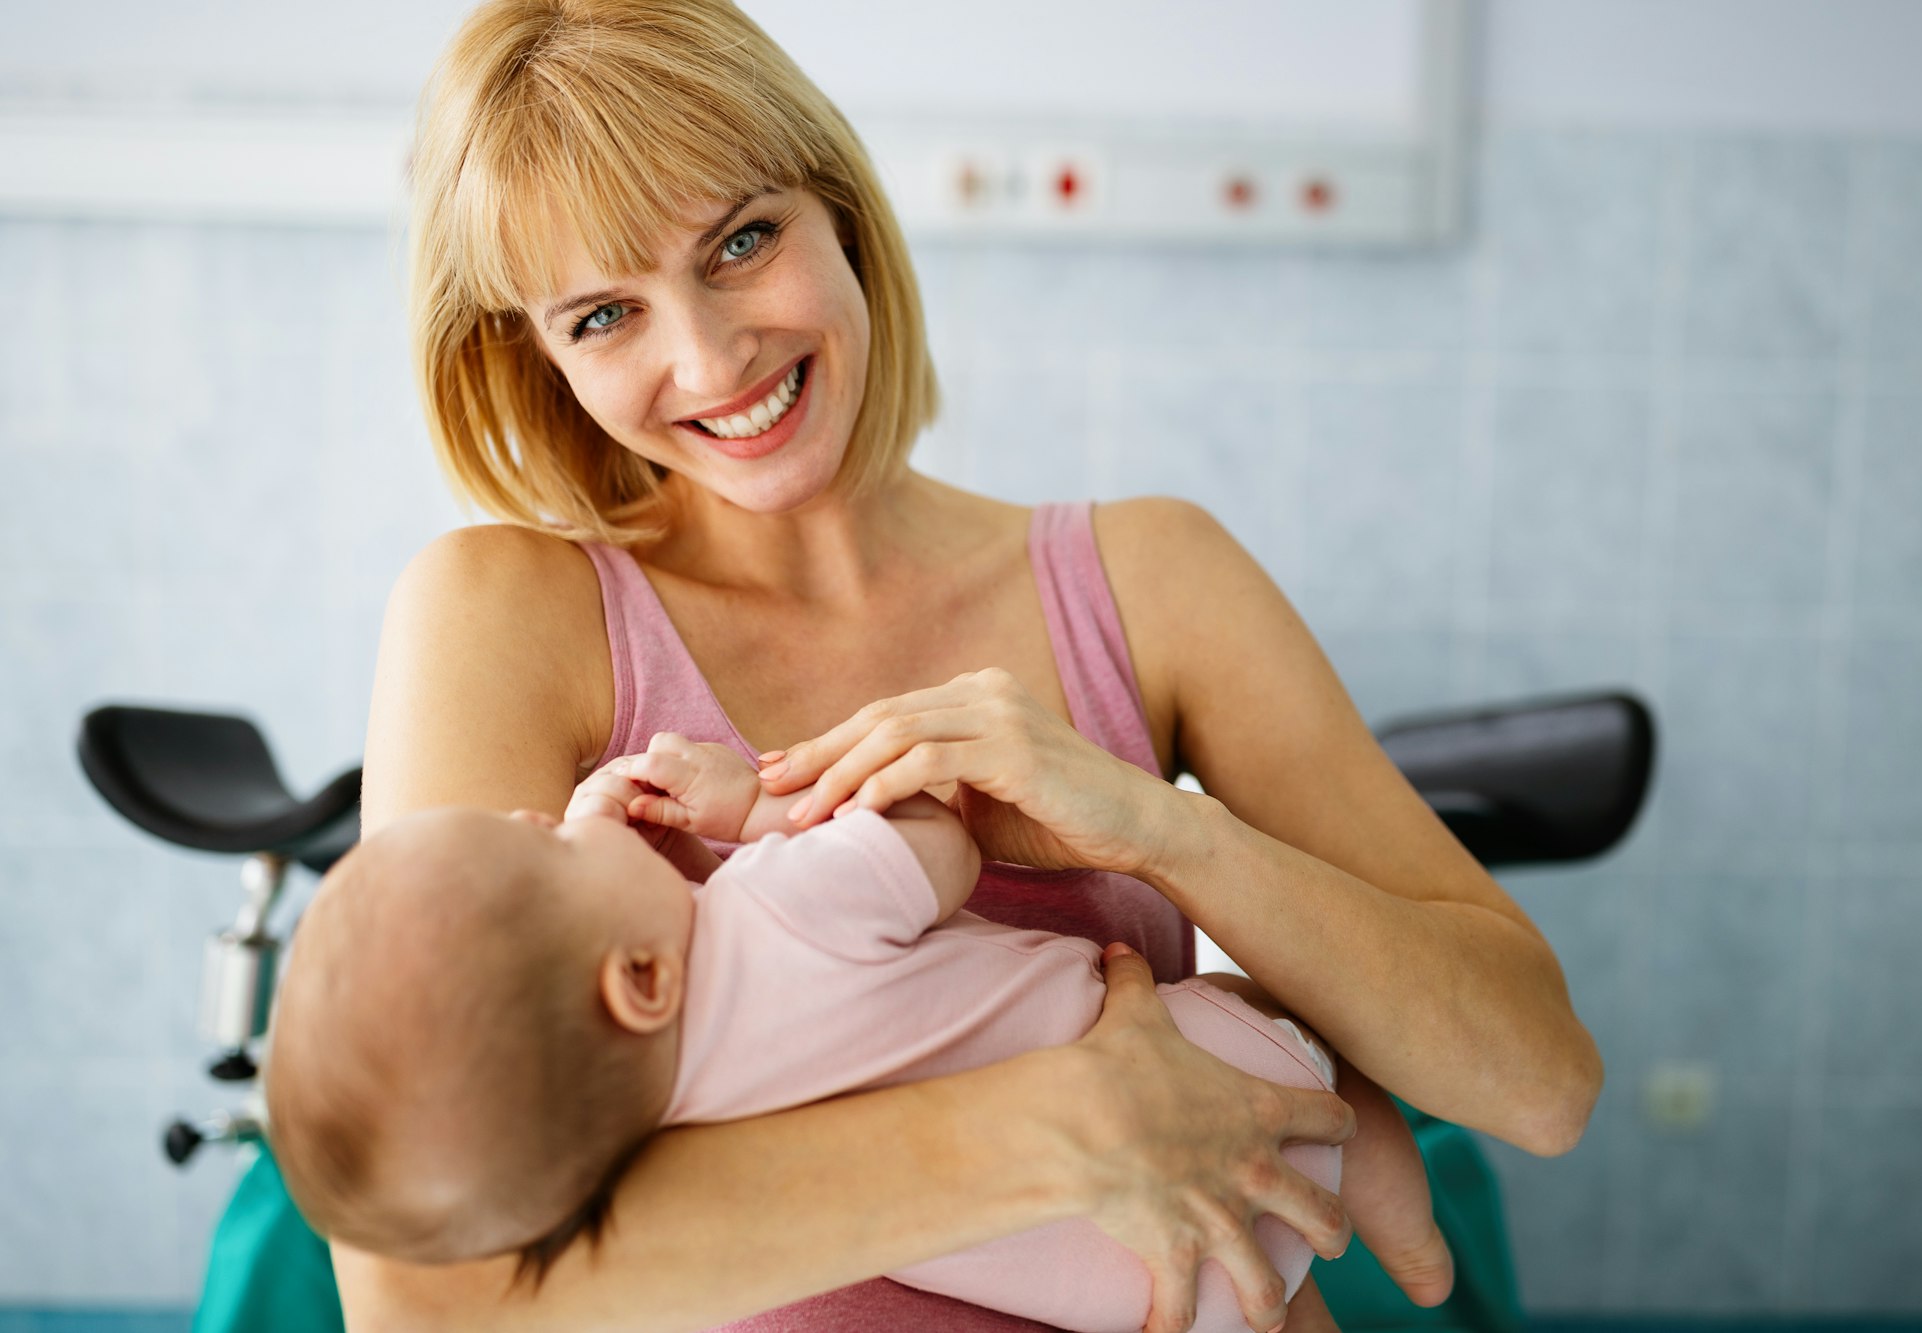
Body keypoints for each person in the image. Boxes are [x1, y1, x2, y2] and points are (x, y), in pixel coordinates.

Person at [338, 1, 1602, 1329]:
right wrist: (1057, 1126)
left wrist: (1163, 833)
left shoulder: (1154, 579)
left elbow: (1540, 1083)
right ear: (533, 355)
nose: (709, 359)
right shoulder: (501, 612)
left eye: (743, 241)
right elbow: (422, 1295)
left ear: (841, 215)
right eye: (603, 314)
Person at [267, 733, 1457, 1331]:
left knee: (1248, 1293)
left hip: (1116, 1290)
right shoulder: (778, 905)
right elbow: (934, 843)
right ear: (636, 977)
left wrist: (622, 860)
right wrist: (757, 807)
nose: (544, 808)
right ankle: (1411, 1237)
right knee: (1288, 1030)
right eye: (535, 840)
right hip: (1215, 1079)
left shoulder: (663, 1130)